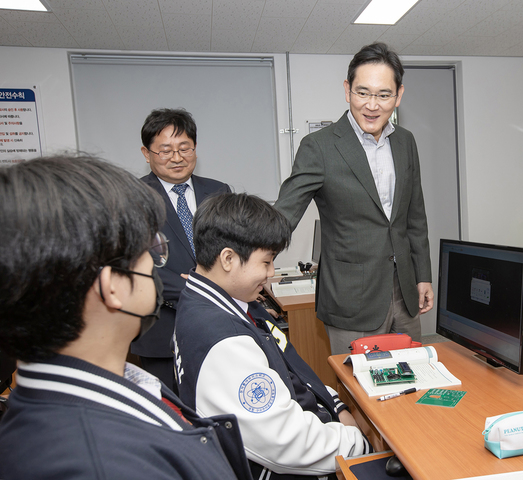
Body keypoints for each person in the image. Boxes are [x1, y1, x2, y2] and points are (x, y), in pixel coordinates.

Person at [0, 155, 252, 480]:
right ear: (113, 286)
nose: (157, 260)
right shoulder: (103, 464)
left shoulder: (65, 402)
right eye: (150, 248)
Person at [174, 193, 371, 479]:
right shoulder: (223, 340)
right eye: (266, 262)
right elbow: (287, 443)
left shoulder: (222, 303)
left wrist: (334, 404)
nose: (271, 273)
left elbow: (290, 368)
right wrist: (358, 443)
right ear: (228, 258)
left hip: (316, 424)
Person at [274, 42, 434, 355]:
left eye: (383, 95)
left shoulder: (405, 141)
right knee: (358, 390)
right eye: (363, 92)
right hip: (351, 299)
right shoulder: (319, 146)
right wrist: (244, 255)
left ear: (398, 95)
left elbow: (414, 216)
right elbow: (284, 213)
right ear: (347, 90)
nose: (372, 105)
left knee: (413, 381)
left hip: (404, 292)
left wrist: (423, 275)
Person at [131, 108, 231, 392]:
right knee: (173, 416)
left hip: (218, 324)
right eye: (165, 150)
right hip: (163, 328)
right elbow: (134, 265)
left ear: (195, 149)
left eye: (184, 148)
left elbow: (234, 249)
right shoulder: (133, 200)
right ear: (146, 153)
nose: (177, 157)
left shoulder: (219, 191)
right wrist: (202, 286)